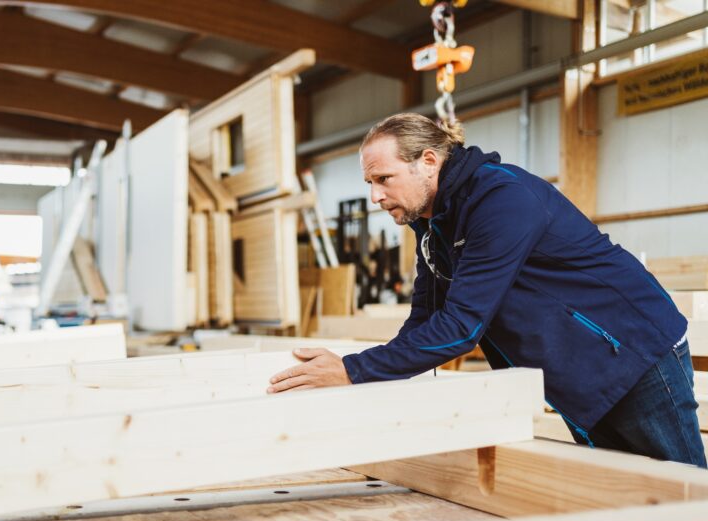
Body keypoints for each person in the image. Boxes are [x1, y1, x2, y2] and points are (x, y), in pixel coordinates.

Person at [268, 112, 704, 468]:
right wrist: (372, 384)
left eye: (383, 178)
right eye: (370, 183)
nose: (375, 197)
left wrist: (353, 370)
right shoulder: (432, 222)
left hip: (635, 357)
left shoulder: (502, 200)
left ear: (428, 161)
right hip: (577, 371)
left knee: (686, 500)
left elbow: (462, 328)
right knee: (624, 497)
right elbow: (425, 319)